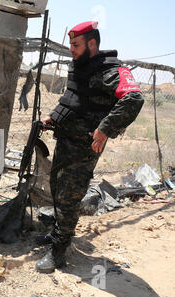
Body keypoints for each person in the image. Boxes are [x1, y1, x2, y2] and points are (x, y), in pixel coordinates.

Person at [34, 21, 145, 273]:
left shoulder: (110, 70)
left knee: (69, 196)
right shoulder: (82, 67)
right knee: (57, 189)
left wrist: (106, 127)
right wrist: (53, 117)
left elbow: (134, 98)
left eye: (76, 45)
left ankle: (59, 252)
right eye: (70, 44)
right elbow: (73, 98)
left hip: (84, 148)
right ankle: (57, 234)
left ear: (92, 44)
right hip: (66, 141)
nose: (71, 49)